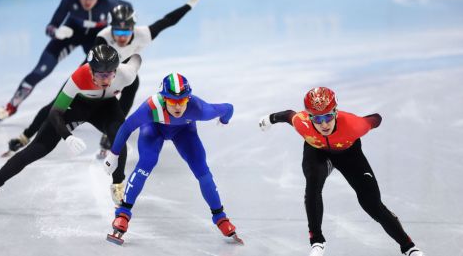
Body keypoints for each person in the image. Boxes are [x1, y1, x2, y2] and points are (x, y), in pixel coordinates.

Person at [3, 0, 208, 159]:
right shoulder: (103, 37)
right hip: (95, 71)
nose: (121, 36)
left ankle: (111, 134)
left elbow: (168, 20)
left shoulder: (144, 34)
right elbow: (96, 66)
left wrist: (190, 4)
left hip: (119, 71)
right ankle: (26, 135)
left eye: (125, 31)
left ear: (133, 28)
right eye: (117, 31)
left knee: (132, 84)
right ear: (111, 28)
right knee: (57, 104)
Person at [0, 45, 141, 214]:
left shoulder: (125, 74)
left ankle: (118, 184)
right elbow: (55, 112)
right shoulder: (78, 78)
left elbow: (137, 59)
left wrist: (131, 52)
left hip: (106, 108)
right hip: (76, 108)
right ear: (91, 70)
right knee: (36, 150)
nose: (106, 80)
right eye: (101, 75)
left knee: (119, 136)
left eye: (110, 74)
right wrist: (68, 136)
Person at [258, 87, 425, 256]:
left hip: (349, 155)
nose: (323, 124)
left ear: (336, 112)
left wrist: (370, 120)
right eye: (317, 118)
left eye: (328, 116)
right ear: (309, 117)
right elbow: (288, 115)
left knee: (372, 204)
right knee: (313, 183)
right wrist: (269, 119)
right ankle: (317, 241)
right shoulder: (302, 123)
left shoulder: (354, 125)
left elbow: (376, 119)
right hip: (317, 153)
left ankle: (409, 247)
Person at [102, 73, 243, 245]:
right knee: (147, 162)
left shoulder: (199, 108)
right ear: (163, 99)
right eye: (172, 101)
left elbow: (228, 108)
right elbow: (126, 128)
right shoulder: (150, 107)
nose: (178, 106)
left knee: (202, 170)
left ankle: (221, 217)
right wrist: (114, 154)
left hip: (184, 132)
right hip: (154, 129)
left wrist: (224, 119)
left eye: (182, 101)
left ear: (188, 99)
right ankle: (123, 213)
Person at [0, 0, 132, 125]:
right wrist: (56, 32)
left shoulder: (108, 2)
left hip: (94, 38)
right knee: (40, 71)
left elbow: (128, 8)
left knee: (91, 74)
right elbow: (50, 26)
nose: (87, 0)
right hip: (69, 34)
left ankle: (94, 110)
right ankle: (11, 105)